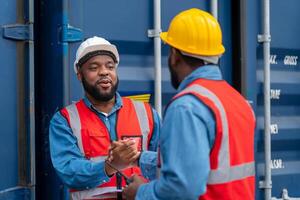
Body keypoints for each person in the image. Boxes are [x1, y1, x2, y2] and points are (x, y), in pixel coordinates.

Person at [122, 8, 256, 200]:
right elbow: (205, 163)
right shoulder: (238, 101)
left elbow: (183, 188)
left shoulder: (186, 106)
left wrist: (140, 192)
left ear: (175, 55)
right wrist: (138, 158)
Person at [49, 36, 160, 200]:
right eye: (94, 68)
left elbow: (167, 162)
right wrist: (109, 166)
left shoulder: (146, 112)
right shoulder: (65, 120)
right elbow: (68, 171)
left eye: (110, 66)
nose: (104, 72)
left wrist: (148, 188)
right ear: (80, 75)